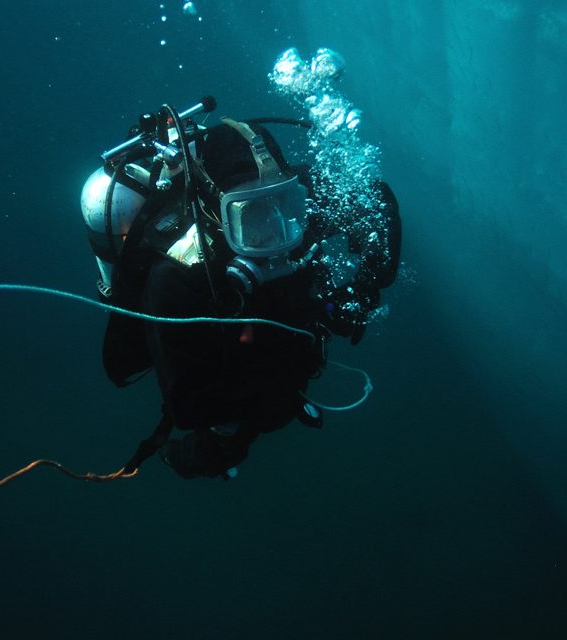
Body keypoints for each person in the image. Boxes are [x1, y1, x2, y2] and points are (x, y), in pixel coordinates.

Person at [79, 97, 401, 479]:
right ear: (216, 215)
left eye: (281, 202)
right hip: (225, 369)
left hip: (268, 341)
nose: (272, 229)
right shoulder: (175, 278)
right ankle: (183, 458)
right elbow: (189, 406)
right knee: (222, 445)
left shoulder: (284, 201)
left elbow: (376, 200)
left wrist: (366, 288)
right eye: (250, 213)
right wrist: (278, 391)